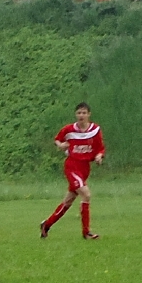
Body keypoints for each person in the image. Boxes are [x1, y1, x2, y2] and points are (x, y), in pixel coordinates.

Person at [40, 102, 105, 239]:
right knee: (86, 194)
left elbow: (100, 148)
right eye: (79, 113)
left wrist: (99, 156)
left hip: (85, 168)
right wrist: (61, 145)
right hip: (72, 166)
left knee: (68, 202)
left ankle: (46, 225)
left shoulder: (95, 130)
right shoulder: (69, 129)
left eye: (84, 113)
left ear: (89, 114)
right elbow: (57, 140)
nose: (81, 115)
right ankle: (86, 232)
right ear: (76, 114)